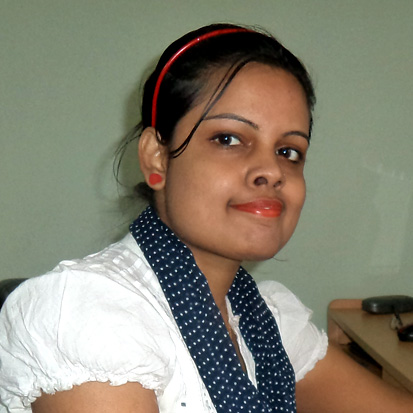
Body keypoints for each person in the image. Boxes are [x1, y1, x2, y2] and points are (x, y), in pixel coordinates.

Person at [0, 23, 412, 413]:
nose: (271, 171)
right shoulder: (87, 316)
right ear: (156, 158)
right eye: (228, 139)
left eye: (289, 151)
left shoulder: (263, 320)